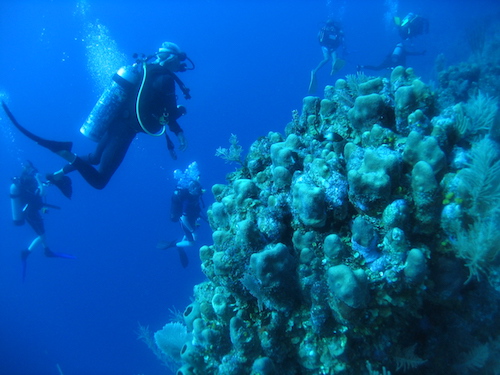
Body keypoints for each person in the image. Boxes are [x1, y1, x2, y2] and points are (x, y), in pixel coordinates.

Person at [2, 41, 194, 198]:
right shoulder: (166, 79)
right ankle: (63, 152)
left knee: (94, 158)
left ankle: (56, 175)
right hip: (125, 130)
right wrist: (179, 127)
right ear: (172, 58)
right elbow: (168, 112)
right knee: (100, 181)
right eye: (180, 61)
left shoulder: (144, 68)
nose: (181, 66)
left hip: (115, 122)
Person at [10, 161, 75, 281]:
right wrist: (39, 180)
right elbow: (41, 192)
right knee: (42, 235)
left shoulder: (26, 180)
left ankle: (47, 250)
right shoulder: (28, 181)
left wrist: (43, 183)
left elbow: (38, 189)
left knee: (42, 232)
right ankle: (26, 253)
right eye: (32, 169)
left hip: (32, 212)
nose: (34, 170)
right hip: (31, 213)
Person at [157, 162, 204, 267]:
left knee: (192, 236)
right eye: (196, 189)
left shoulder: (195, 194)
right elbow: (183, 218)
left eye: (198, 188)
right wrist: (192, 231)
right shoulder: (187, 202)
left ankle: (183, 242)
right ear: (191, 190)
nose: (198, 191)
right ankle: (175, 245)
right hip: (185, 222)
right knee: (192, 243)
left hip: (191, 219)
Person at [357, 13, 428, 72]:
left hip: (390, 61)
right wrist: (421, 53)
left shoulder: (395, 50)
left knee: (377, 68)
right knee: (403, 71)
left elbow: (389, 55)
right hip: (398, 64)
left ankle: (361, 66)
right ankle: (392, 69)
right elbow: (412, 53)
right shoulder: (404, 51)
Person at [308, 20, 346, 94]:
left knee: (335, 59)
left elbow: (340, 42)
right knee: (326, 59)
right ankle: (314, 71)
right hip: (325, 46)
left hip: (332, 47)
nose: (332, 29)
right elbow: (320, 39)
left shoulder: (337, 32)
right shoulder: (325, 30)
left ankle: (333, 69)